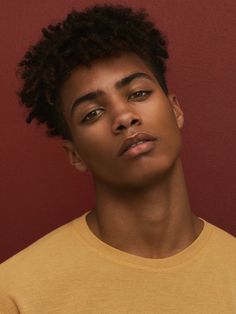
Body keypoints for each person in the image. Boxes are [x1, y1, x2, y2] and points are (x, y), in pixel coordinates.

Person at [0, 4, 235, 313]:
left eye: (138, 93)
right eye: (92, 113)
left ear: (175, 110)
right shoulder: (15, 293)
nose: (123, 116)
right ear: (75, 155)